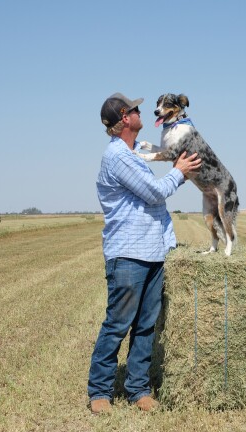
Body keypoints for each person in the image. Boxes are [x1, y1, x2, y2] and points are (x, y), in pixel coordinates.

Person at [88, 93, 201, 414]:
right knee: (117, 324)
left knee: (146, 325)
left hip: (153, 250)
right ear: (125, 118)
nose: (142, 112)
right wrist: (179, 171)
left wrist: (181, 149)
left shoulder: (135, 151)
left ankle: (137, 388)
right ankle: (99, 392)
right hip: (128, 252)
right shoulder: (117, 157)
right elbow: (154, 192)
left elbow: (160, 152)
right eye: (136, 109)